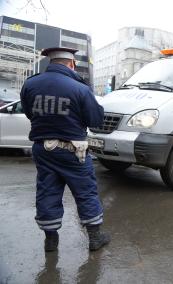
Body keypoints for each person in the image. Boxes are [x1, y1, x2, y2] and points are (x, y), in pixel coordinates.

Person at [20, 47, 110, 252]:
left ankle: (50, 240)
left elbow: (29, 113)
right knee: (86, 192)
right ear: (71, 64)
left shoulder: (31, 84)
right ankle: (95, 238)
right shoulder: (79, 88)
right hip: (73, 151)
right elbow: (95, 121)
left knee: (47, 191)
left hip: (43, 149)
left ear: (50, 63)